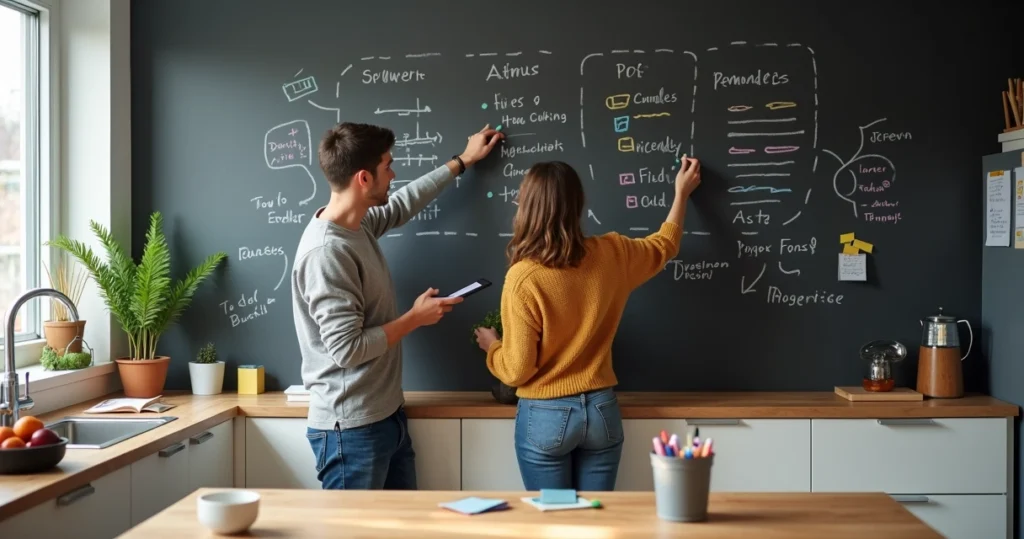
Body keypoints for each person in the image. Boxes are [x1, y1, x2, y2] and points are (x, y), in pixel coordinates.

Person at [292, 122, 503, 490]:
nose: (394, 173)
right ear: (363, 178)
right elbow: (346, 349)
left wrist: (463, 160)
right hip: (351, 430)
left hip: (385, 416)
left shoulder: (356, 227)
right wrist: (415, 318)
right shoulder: (328, 252)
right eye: (387, 166)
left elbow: (402, 203)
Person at [473, 157, 702, 491]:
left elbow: (518, 369)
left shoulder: (524, 278)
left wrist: (492, 347)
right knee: (598, 523)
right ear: (577, 204)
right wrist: (681, 194)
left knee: (553, 524)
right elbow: (665, 245)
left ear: (528, 207)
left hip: (546, 416)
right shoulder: (613, 253)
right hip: (601, 412)